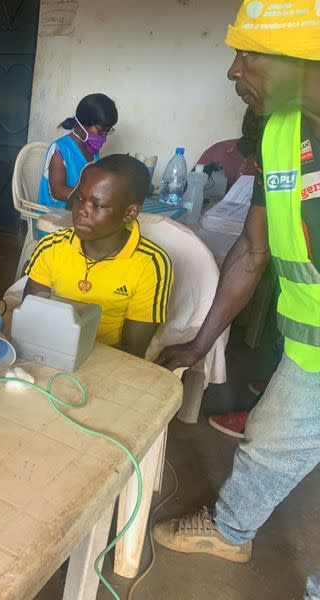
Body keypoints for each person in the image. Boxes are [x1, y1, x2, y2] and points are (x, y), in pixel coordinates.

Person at [153, 2, 320, 597]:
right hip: (310, 345)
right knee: (271, 441)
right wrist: (199, 344)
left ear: (307, 56)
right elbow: (252, 251)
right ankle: (230, 530)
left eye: (247, 52)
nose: (232, 70)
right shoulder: (280, 134)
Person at [24, 154, 173, 358]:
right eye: (78, 198)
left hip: (108, 362)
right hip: (48, 350)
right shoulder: (52, 246)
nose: (82, 211)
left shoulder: (150, 264)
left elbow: (132, 351)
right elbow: (32, 319)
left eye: (98, 205)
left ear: (129, 213)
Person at [38, 93, 118, 208]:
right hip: (55, 218)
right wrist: (93, 197)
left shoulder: (93, 150)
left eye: (107, 131)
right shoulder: (60, 150)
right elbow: (57, 191)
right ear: (82, 124)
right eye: (101, 130)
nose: (104, 136)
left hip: (80, 213)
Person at [197, 107, 263, 193]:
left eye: (260, 120)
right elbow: (190, 190)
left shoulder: (275, 160)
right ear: (244, 120)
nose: (253, 124)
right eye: (250, 118)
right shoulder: (218, 151)